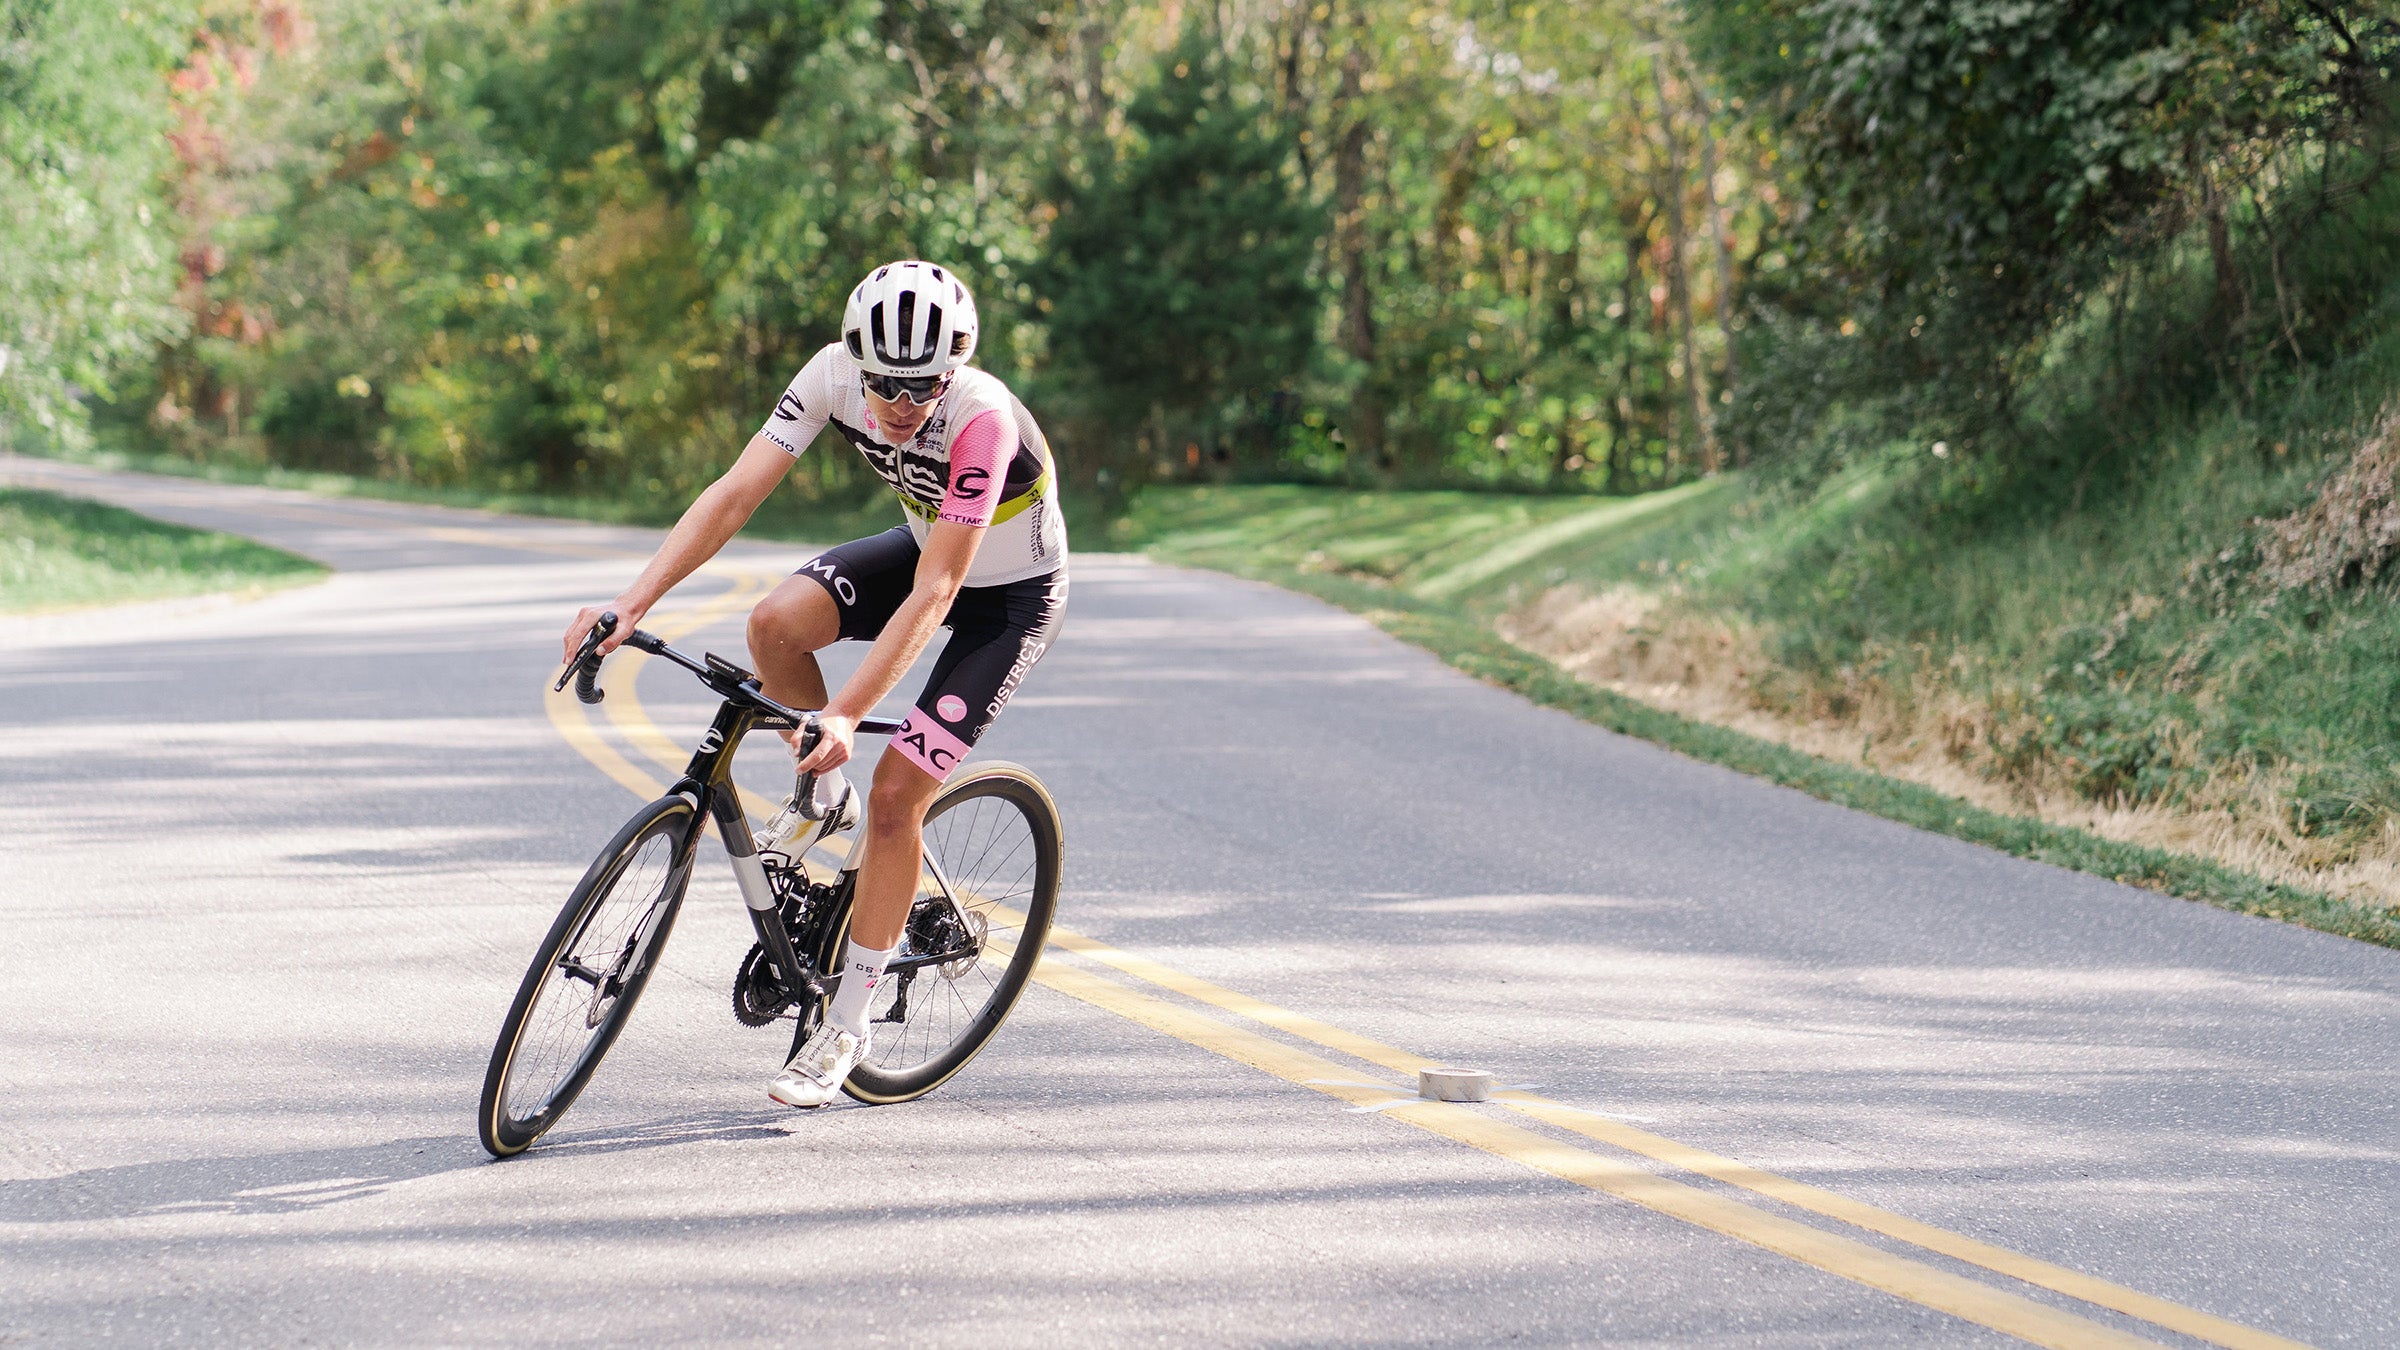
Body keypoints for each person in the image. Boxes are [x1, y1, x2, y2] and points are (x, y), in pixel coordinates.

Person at [561, 260, 1068, 1108]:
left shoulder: (981, 421)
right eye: (886, 388)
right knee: (772, 626)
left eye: (924, 389)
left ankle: (848, 1025)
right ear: (855, 363)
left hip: (1007, 601)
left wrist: (845, 710)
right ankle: (823, 797)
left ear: (956, 368)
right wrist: (629, 603)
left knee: (901, 790)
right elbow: (734, 495)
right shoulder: (828, 376)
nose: (904, 409)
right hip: (929, 550)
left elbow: (939, 592)